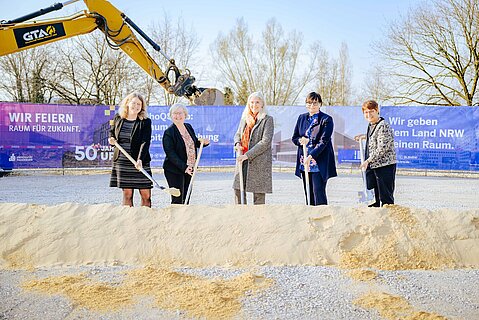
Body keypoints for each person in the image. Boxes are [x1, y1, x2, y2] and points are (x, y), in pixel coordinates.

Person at [292, 92, 337, 205]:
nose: (312, 105)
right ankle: (311, 217)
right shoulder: (302, 118)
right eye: (309, 103)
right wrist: (300, 141)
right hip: (304, 162)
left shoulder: (326, 119)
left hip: (318, 161)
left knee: (318, 191)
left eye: (315, 103)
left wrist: (311, 155)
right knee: (308, 192)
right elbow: (295, 137)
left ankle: (322, 216)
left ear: (320, 104)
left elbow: (324, 141)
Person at [109, 92, 153, 207]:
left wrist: (140, 159)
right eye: (134, 103)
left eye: (139, 104)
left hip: (140, 160)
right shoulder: (118, 118)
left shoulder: (145, 121)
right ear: (127, 103)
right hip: (122, 160)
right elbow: (112, 132)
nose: (136, 106)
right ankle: (129, 220)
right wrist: (111, 139)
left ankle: (146, 220)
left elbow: (145, 141)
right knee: (127, 194)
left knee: (146, 195)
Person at [162, 103, 209, 204]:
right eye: (175, 113)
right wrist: (184, 167)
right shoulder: (169, 132)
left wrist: (203, 143)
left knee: (186, 198)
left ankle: (184, 219)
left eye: (180, 113)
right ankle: (175, 219)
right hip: (174, 170)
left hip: (190, 168)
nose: (178, 116)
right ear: (171, 115)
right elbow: (171, 154)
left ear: (185, 115)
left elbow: (194, 142)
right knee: (178, 199)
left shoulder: (188, 127)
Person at [233, 92, 274, 205]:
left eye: (257, 102)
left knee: (258, 193)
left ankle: (258, 219)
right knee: (238, 189)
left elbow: (265, 141)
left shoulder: (267, 120)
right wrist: (237, 144)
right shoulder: (244, 119)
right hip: (242, 159)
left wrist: (248, 155)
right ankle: (241, 215)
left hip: (258, 161)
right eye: (252, 102)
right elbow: (237, 134)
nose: (254, 105)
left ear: (262, 104)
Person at [358, 100, 397, 207]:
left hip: (384, 166)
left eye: (371, 111)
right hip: (374, 166)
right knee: (373, 198)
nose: (368, 114)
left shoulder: (383, 125)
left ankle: (388, 220)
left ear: (377, 111)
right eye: (366, 112)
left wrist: (368, 161)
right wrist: (364, 136)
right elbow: (375, 138)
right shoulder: (371, 125)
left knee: (386, 198)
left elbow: (382, 148)